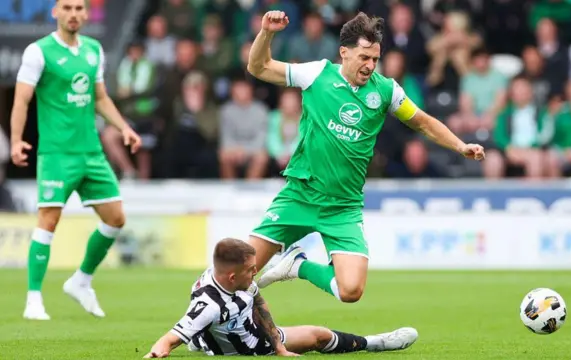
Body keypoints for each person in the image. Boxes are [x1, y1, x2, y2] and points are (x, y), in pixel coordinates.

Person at [245, 11, 485, 303]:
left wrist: (460, 146)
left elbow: (422, 121)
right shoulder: (317, 74)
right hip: (300, 195)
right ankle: (194, 327)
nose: (371, 65)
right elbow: (259, 67)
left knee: (351, 291)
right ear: (344, 53)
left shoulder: (386, 91)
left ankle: (297, 266)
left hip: (344, 207)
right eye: (364, 57)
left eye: (375, 59)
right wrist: (267, 33)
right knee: (240, 272)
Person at [10, 0, 142, 320]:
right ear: (55, 12)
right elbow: (22, 98)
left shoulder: (94, 50)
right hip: (56, 154)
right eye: (66, 7)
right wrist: (15, 141)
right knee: (49, 221)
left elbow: (100, 97)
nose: (73, 13)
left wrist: (123, 127)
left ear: (86, 13)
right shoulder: (38, 52)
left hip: (91, 153)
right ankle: (33, 299)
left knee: (116, 218)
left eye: (79, 8)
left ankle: (81, 280)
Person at [143, 238, 418, 358]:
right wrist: (157, 352)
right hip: (248, 348)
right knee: (318, 335)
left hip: (251, 331)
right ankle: (376, 344)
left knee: (307, 334)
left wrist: (279, 345)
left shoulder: (232, 279)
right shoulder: (209, 304)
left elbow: (259, 302)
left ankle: (204, 341)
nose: (256, 274)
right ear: (231, 277)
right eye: (251, 271)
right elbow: (168, 339)